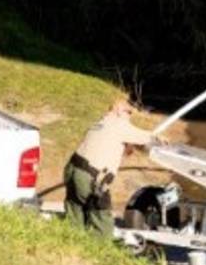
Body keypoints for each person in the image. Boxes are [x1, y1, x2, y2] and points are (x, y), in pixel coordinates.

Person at [62, 100, 152, 236]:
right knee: (102, 223)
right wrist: (157, 137)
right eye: (128, 112)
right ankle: (98, 252)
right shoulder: (118, 123)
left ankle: (73, 246)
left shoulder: (100, 123)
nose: (129, 116)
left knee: (76, 212)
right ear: (118, 110)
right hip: (90, 178)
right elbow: (144, 137)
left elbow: (124, 142)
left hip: (73, 170)